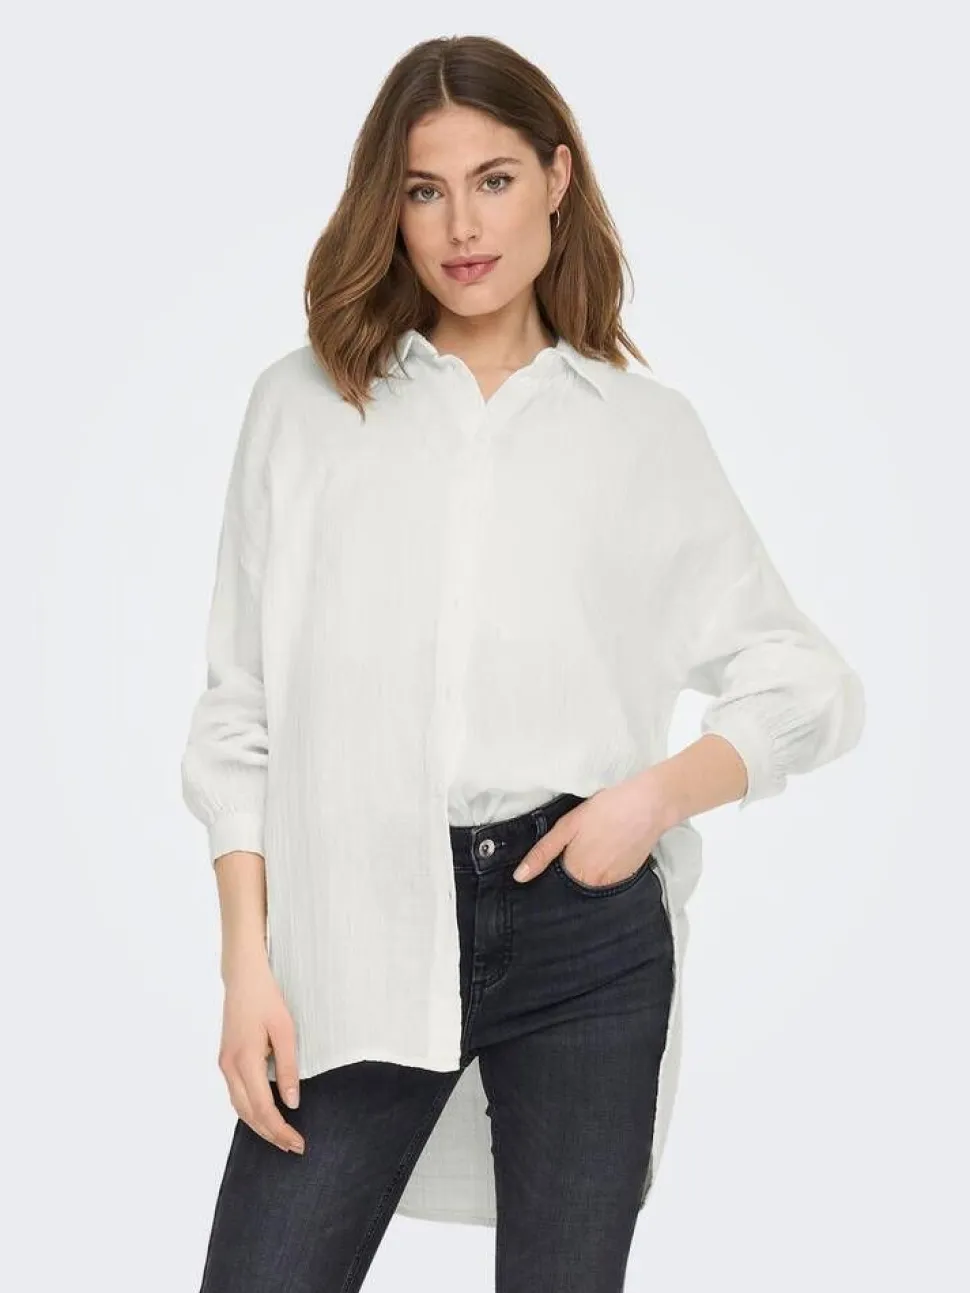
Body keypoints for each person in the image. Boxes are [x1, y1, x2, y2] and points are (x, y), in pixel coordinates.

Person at [180, 33, 866, 1293]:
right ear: (388, 207)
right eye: (424, 189)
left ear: (556, 178)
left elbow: (806, 682)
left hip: (582, 927)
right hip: (357, 918)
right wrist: (246, 963)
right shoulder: (307, 407)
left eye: (493, 180)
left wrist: (649, 802)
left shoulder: (640, 431)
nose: (461, 227)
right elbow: (239, 715)